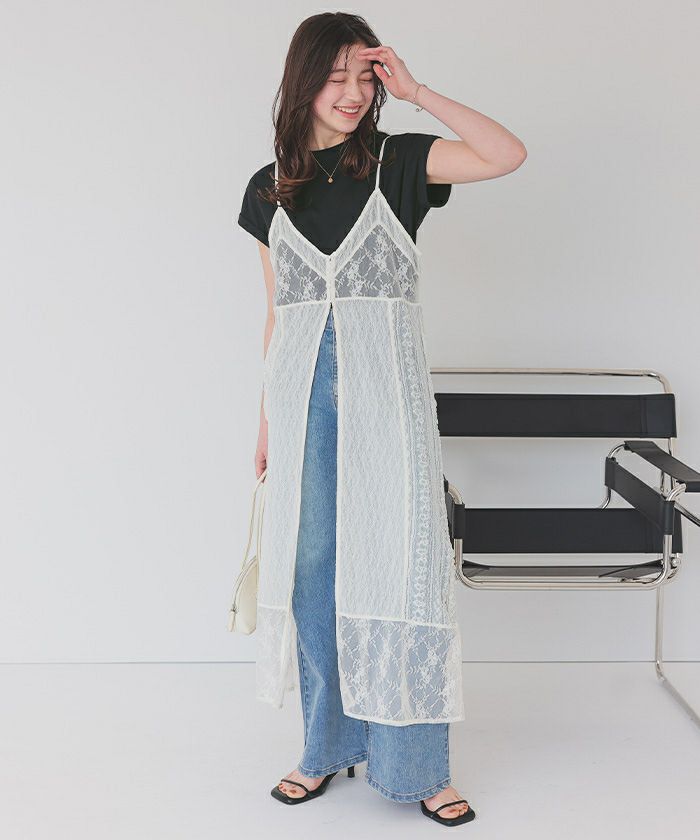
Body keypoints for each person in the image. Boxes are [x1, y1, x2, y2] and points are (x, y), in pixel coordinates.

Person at [237, 12, 526, 827]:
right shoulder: (267, 188)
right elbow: (279, 315)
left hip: (387, 399)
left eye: (365, 77)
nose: (353, 93)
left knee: (400, 568)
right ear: (301, 82)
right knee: (312, 575)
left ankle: (416, 767)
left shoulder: (398, 162)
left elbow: (505, 154)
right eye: (335, 77)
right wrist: (266, 421)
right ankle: (325, 747)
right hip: (299, 400)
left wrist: (418, 90)